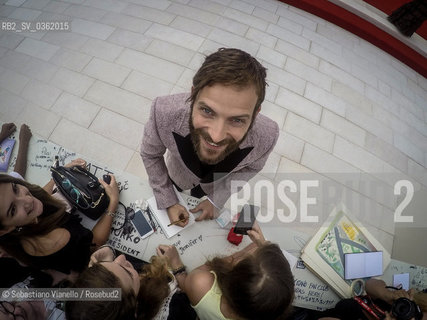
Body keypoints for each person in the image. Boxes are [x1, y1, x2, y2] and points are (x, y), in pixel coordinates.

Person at [140, 48, 279, 226]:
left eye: (237, 120)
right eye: (207, 111)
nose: (216, 136)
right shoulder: (163, 111)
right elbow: (150, 154)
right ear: (193, 95)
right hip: (177, 177)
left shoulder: (268, 135)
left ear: (256, 113)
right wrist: (168, 199)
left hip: (213, 187)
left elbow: (251, 168)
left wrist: (215, 200)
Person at [0, 151, 119, 282]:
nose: (27, 200)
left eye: (15, 189)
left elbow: (40, 195)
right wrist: (113, 202)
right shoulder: (50, 242)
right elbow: (95, 243)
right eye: (13, 210)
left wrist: (61, 175)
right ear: (5, 229)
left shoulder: (25, 218)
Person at [158, 224, 295, 320]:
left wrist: (176, 263)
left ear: (231, 279)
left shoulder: (201, 283)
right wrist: (263, 245)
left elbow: (187, 285)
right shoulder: (270, 309)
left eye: (243, 260)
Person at [65, 246, 197, 320]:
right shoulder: (174, 310)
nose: (121, 257)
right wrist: (177, 267)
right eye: (128, 272)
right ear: (134, 306)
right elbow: (192, 298)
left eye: (99, 266)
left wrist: (110, 252)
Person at [317, 279, 427, 320]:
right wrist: (387, 294)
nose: (411, 316)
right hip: (322, 303)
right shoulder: (404, 306)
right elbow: (369, 284)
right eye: (419, 315)